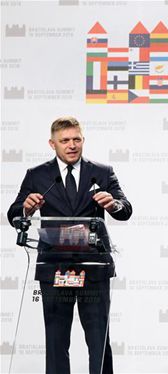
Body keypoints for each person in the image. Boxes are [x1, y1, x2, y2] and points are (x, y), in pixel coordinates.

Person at [7, 116, 132, 374]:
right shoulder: (37, 175)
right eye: (65, 141)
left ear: (83, 140)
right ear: (53, 144)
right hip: (55, 268)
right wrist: (26, 208)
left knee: (99, 340)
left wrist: (114, 204)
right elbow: (14, 214)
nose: (72, 145)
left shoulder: (102, 172)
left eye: (76, 139)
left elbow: (125, 209)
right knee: (56, 341)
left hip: (94, 268)